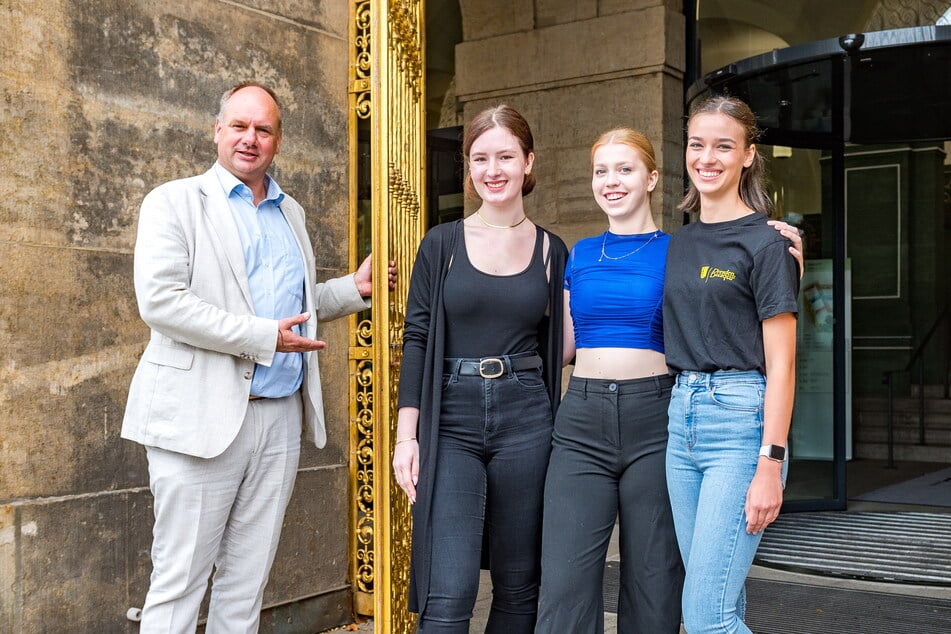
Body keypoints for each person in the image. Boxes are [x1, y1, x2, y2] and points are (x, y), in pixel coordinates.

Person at [121, 81, 393, 633]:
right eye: (239, 126)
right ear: (217, 130)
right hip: (199, 419)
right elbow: (163, 303)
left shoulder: (288, 212)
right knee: (178, 585)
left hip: (277, 420)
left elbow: (291, 308)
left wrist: (353, 290)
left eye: (263, 129)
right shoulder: (173, 202)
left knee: (246, 586)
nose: (250, 138)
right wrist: (264, 337)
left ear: (278, 140)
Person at [392, 104, 567, 633]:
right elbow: (417, 338)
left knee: (519, 587)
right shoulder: (440, 244)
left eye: (506, 157)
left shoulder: (551, 250)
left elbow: (566, 341)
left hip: (526, 417)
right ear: (468, 168)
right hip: (452, 420)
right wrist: (407, 436)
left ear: (528, 162)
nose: (494, 169)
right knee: (449, 592)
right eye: (480, 158)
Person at [535, 128, 684, 633]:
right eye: (601, 171)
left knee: (653, 576)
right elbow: (566, 346)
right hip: (581, 420)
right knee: (564, 581)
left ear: (652, 178)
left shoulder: (678, 252)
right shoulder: (578, 254)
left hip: (656, 420)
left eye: (624, 169)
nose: (611, 181)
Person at [663, 95, 800, 633]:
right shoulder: (680, 242)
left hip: (741, 425)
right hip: (682, 425)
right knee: (721, 601)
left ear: (747, 155)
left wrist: (771, 463)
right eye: (698, 144)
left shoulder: (767, 243)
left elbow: (783, 365)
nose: (708, 157)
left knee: (705, 617)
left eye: (724, 145)